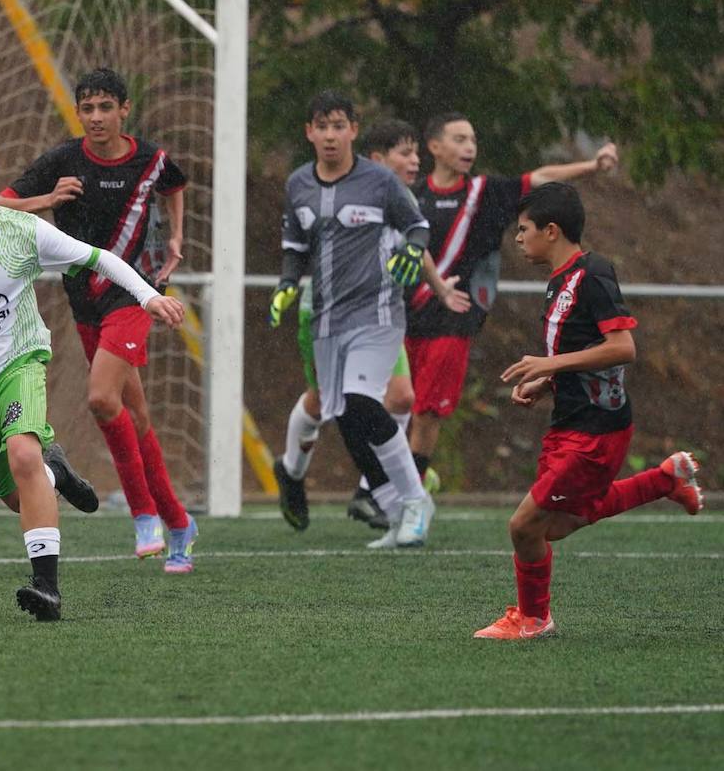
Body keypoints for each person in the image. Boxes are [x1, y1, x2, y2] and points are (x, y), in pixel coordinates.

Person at [0, 140, 188, 620]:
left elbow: (99, 258)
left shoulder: (23, 232)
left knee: (23, 452)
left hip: (17, 365)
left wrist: (148, 297)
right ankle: (57, 472)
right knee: (21, 493)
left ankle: (47, 589)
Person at [474, 182, 702, 639]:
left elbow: (622, 348)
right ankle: (667, 479)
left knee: (524, 526)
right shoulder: (560, 281)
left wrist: (550, 364)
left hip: (596, 431)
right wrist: (547, 382)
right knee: (556, 525)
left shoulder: (593, 273)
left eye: (524, 230)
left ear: (552, 230)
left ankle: (534, 619)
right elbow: (585, 351)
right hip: (571, 423)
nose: (518, 238)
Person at [0, 67, 196, 568]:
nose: (97, 117)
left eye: (106, 107)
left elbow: (174, 186)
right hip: (84, 300)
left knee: (102, 398)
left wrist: (175, 236)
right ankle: (179, 522)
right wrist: (46, 200)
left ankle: (143, 512)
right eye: (88, 108)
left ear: (124, 110)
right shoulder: (63, 159)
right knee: (135, 414)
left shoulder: (151, 159)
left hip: (134, 294)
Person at [273, 118, 469, 531]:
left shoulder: (394, 194)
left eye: (417, 152)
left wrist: (439, 290)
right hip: (325, 314)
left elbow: (415, 241)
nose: (415, 161)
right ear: (378, 159)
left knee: (396, 398)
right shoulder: (350, 188)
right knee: (324, 400)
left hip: (376, 317)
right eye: (405, 153)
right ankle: (292, 470)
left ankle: (383, 492)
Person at [406, 113, 618, 485]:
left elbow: (539, 179)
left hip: (453, 318)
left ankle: (408, 496)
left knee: (427, 411)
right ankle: (406, 482)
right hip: (405, 316)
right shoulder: (412, 196)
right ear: (434, 147)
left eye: (472, 139)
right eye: (458, 139)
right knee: (395, 406)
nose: (469, 146)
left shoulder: (483, 193)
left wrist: (592, 165)